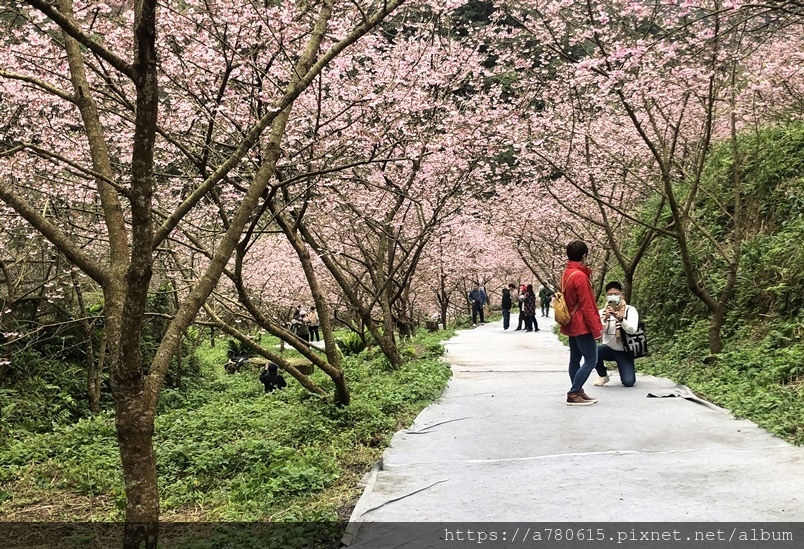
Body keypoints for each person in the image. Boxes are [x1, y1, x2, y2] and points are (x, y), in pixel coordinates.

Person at [560, 240, 603, 406]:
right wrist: (596, 330)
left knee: (575, 360)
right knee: (591, 360)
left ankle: (578, 391)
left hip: (571, 321)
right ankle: (573, 392)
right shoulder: (580, 276)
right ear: (584, 256)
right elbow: (587, 305)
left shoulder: (567, 273)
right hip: (582, 324)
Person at [593, 281, 639, 387]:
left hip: (624, 350)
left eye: (616, 294)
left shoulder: (630, 310)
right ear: (606, 296)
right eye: (610, 294)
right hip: (608, 349)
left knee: (628, 382)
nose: (613, 296)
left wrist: (621, 319)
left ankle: (626, 367)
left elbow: (632, 330)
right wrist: (605, 318)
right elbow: (598, 333)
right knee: (593, 351)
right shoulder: (601, 312)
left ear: (621, 294)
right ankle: (603, 375)